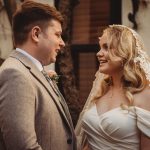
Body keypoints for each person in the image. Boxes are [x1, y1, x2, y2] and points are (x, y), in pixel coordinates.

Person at [0, 1, 76, 150]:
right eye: (58, 35)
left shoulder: (31, 71)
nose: (62, 43)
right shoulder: (15, 75)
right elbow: (24, 146)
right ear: (36, 34)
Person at [75, 24, 150, 150]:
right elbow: (89, 142)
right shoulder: (100, 91)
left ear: (124, 52)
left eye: (106, 47)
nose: (99, 54)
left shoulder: (145, 95)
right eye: (100, 48)